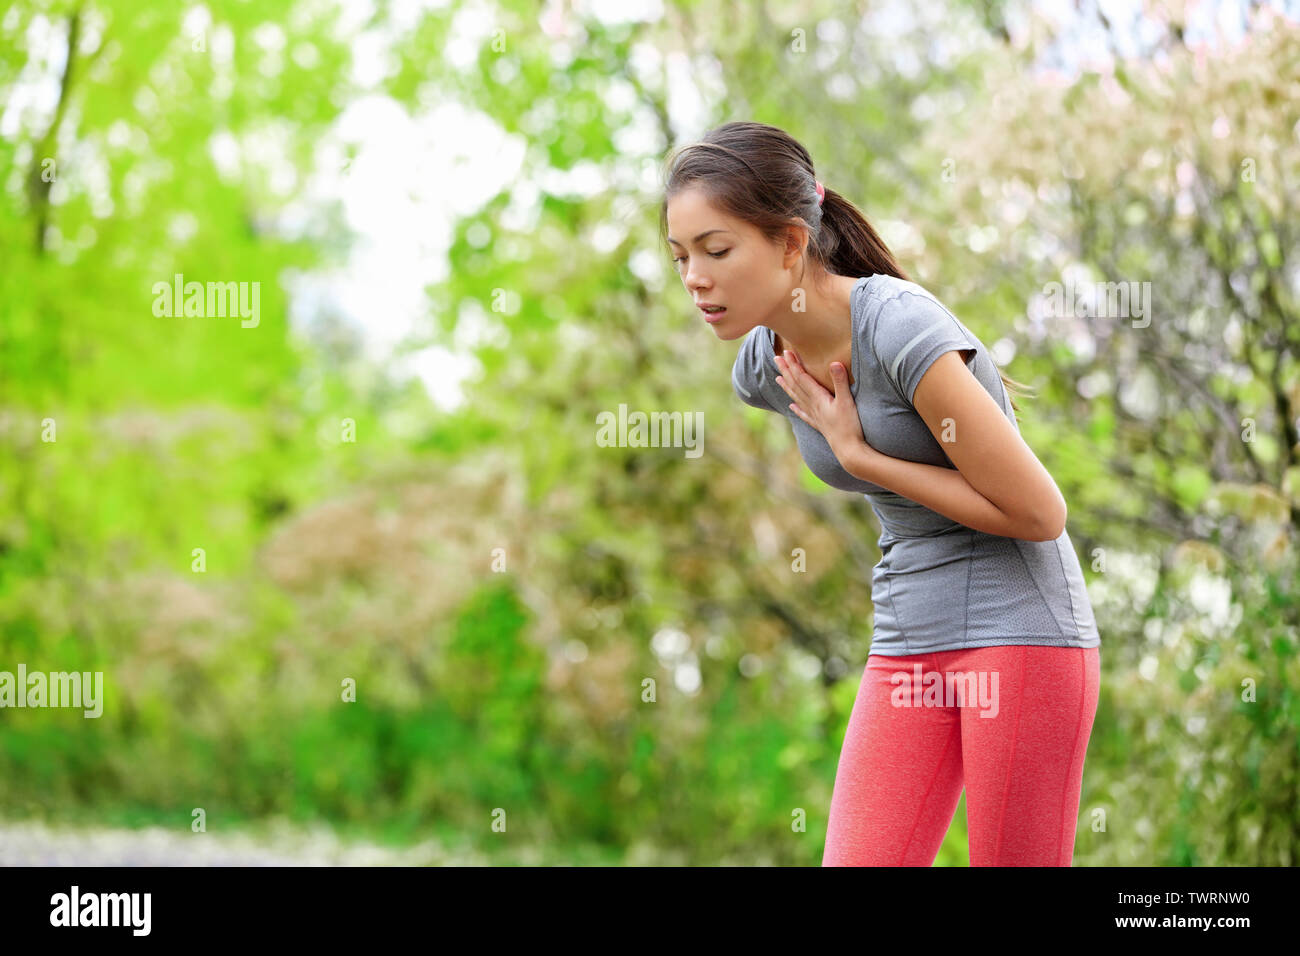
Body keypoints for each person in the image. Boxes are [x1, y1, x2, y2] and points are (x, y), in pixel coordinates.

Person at [661, 121, 1101, 866]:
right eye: (680, 257)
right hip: (906, 637)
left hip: (1019, 629)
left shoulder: (898, 329)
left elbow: (1038, 513)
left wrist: (862, 456)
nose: (695, 278)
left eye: (717, 250)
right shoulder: (761, 366)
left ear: (793, 244)